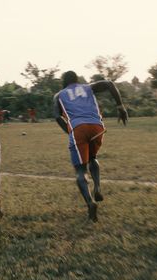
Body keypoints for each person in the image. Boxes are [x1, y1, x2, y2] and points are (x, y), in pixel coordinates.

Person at [53, 70, 128, 222]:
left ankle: (90, 203)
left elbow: (57, 117)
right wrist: (120, 106)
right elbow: (109, 84)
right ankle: (98, 187)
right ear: (76, 79)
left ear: (64, 82)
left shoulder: (59, 95)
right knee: (93, 157)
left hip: (78, 128)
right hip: (97, 126)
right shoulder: (88, 87)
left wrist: (70, 132)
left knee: (80, 170)